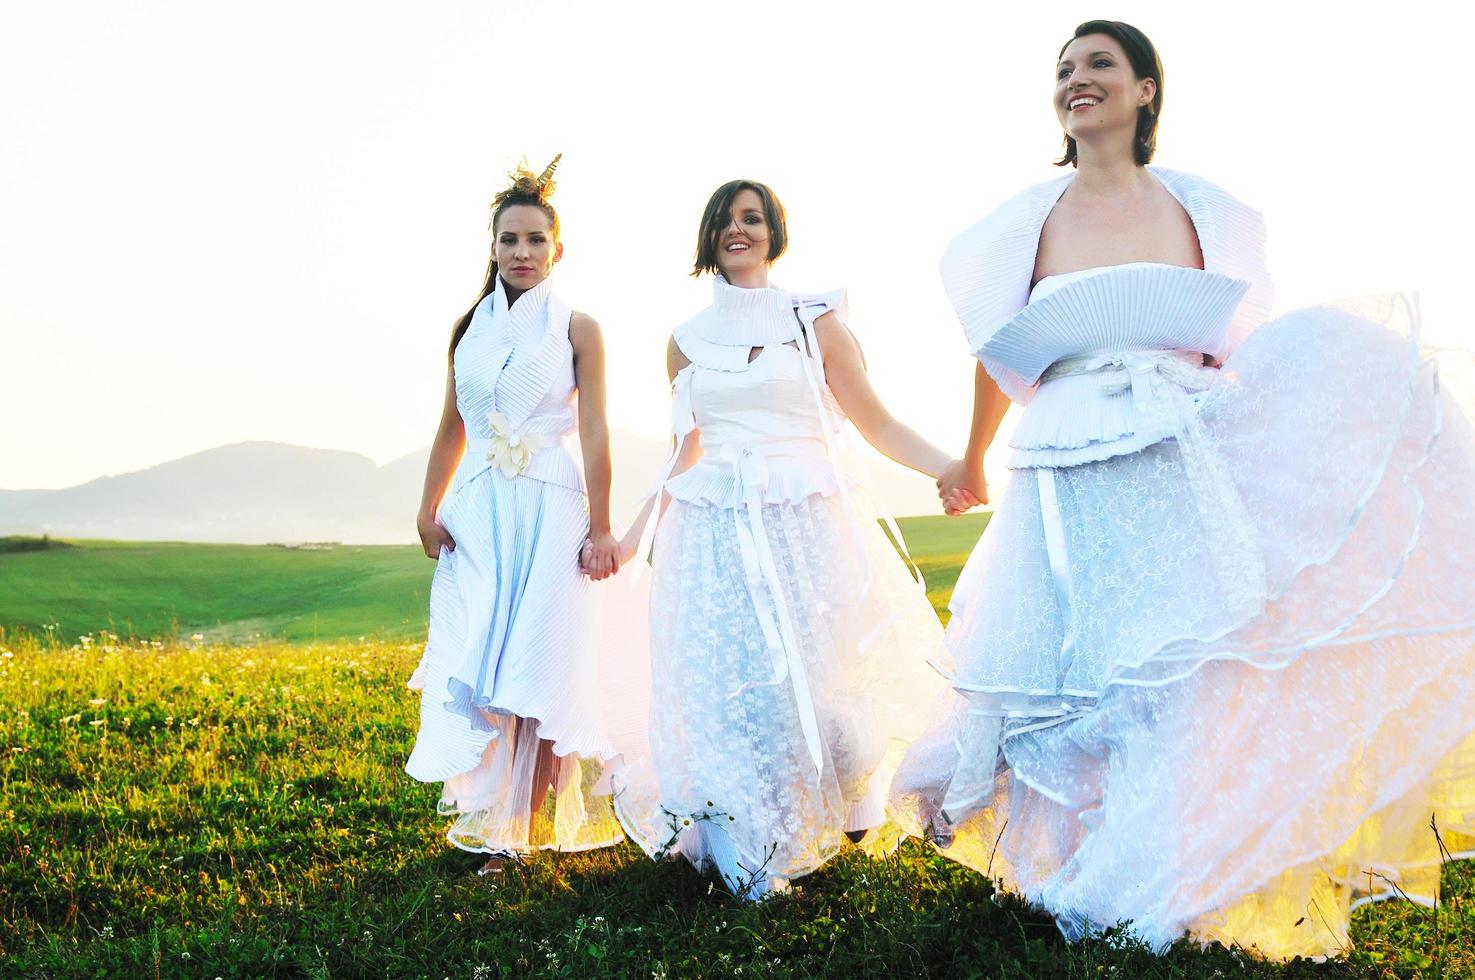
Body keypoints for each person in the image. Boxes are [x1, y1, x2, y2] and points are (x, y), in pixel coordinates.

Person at [891, 19, 1475, 958]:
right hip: (1062, 456)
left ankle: (1155, 876)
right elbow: (999, 357)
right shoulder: (1019, 224)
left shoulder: (1207, 211)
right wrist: (967, 460)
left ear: (1145, 90)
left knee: (1173, 669)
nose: (1076, 82)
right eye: (1064, 71)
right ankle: (1071, 865)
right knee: (1075, 670)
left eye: (1098, 66)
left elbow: (1235, 344)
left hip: (1172, 449)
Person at [611, 179, 953, 899]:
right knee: (734, 690)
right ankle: (750, 838)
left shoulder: (814, 319)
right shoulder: (683, 343)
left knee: (829, 680)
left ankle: (848, 801)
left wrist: (948, 467)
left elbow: (873, 421)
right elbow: (684, 452)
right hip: (715, 533)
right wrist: (630, 538)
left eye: (753, 218)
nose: (739, 231)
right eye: (726, 221)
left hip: (806, 524)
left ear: (774, 231)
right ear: (708, 236)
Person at [404, 157, 648, 872]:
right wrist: (428, 506)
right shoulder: (467, 329)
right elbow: (452, 423)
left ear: (557, 249)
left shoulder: (578, 328)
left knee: (539, 667)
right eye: (509, 239)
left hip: (551, 508)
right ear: (491, 247)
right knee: (482, 659)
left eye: (535, 240)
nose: (521, 252)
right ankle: (498, 809)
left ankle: (516, 832)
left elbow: (597, 429)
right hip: (479, 510)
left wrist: (601, 526)